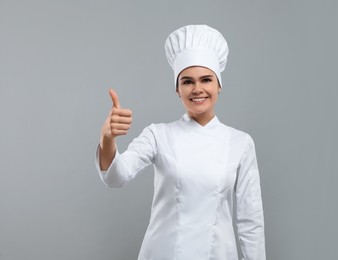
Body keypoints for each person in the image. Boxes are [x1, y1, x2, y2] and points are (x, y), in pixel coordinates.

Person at [96, 24, 266, 260]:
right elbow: (116, 177)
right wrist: (107, 138)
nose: (197, 89)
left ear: (219, 85)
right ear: (177, 89)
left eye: (206, 80)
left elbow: (251, 221)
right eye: (187, 81)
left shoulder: (240, 143)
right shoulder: (158, 135)